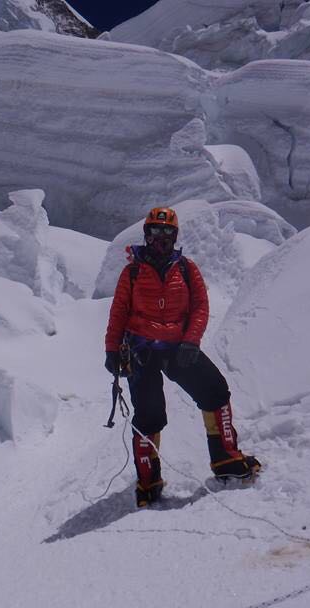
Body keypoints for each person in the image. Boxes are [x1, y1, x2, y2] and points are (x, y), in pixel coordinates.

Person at [104, 207, 261, 507]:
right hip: (142, 351)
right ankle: (148, 482)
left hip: (179, 349)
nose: (160, 239)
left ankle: (226, 461)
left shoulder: (187, 269)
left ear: (174, 236)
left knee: (215, 391)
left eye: (166, 234)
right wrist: (112, 350)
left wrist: (191, 341)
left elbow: (200, 306)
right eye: (154, 233)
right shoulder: (132, 272)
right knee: (149, 414)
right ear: (147, 236)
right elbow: (119, 313)